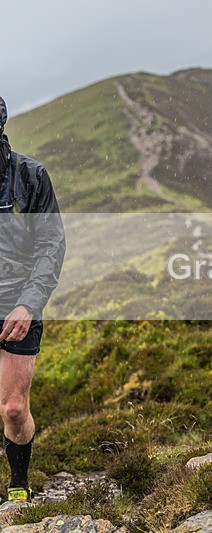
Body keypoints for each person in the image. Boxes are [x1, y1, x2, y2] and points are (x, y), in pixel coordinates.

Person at [0, 96, 66, 502]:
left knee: (12, 410)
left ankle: (19, 484)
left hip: (18, 303)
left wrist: (30, 302)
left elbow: (51, 245)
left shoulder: (30, 176)